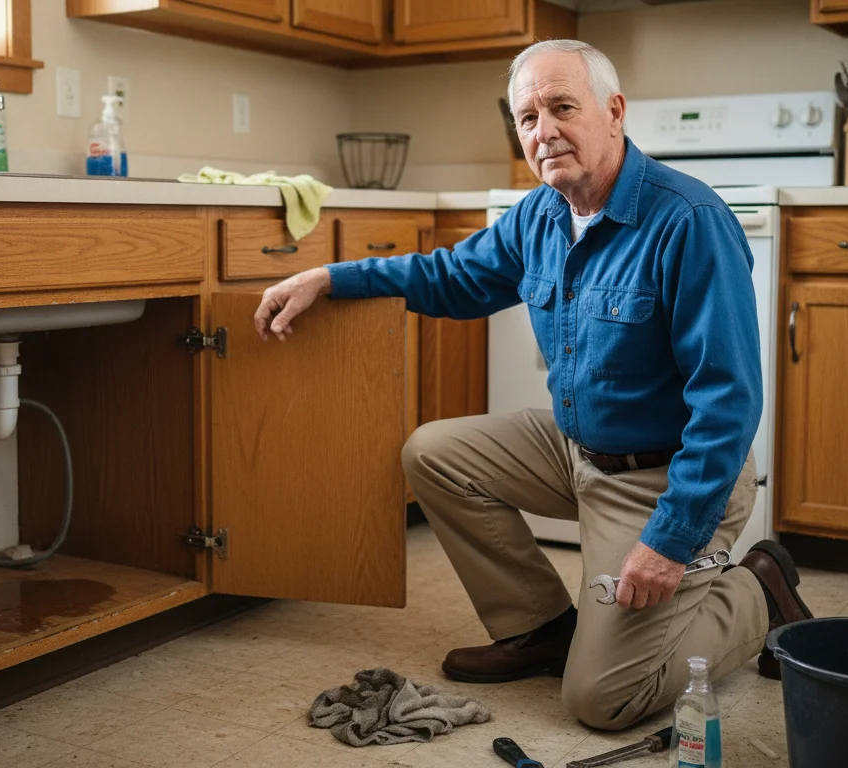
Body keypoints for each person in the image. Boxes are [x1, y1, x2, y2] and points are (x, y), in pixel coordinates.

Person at [251, 39, 813, 730]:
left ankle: (756, 588)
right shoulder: (539, 215)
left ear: (613, 112)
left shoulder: (686, 221)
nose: (542, 131)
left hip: (669, 476)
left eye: (561, 107)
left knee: (603, 701)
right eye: (526, 117)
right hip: (576, 448)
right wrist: (330, 278)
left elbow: (728, 402)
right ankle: (541, 627)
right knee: (435, 452)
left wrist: (669, 540)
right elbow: (449, 278)